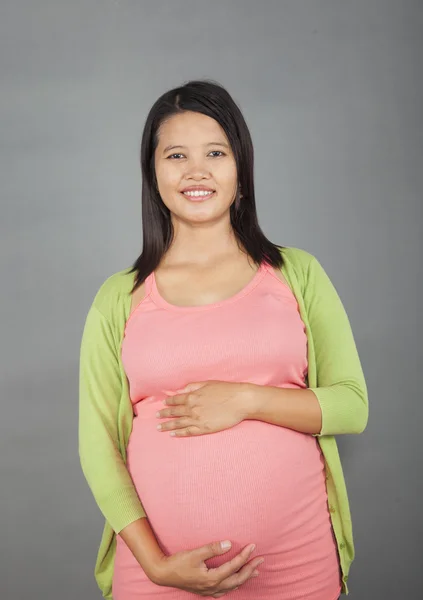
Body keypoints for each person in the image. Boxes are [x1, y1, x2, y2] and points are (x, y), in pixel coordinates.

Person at [79, 80, 368, 600]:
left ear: (241, 168)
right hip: (158, 577)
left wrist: (247, 400)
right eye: (176, 155)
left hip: (294, 567)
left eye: (216, 152)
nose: (197, 171)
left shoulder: (296, 273)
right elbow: (97, 446)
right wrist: (157, 565)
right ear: (153, 172)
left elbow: (352, 406)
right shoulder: (118, 297)